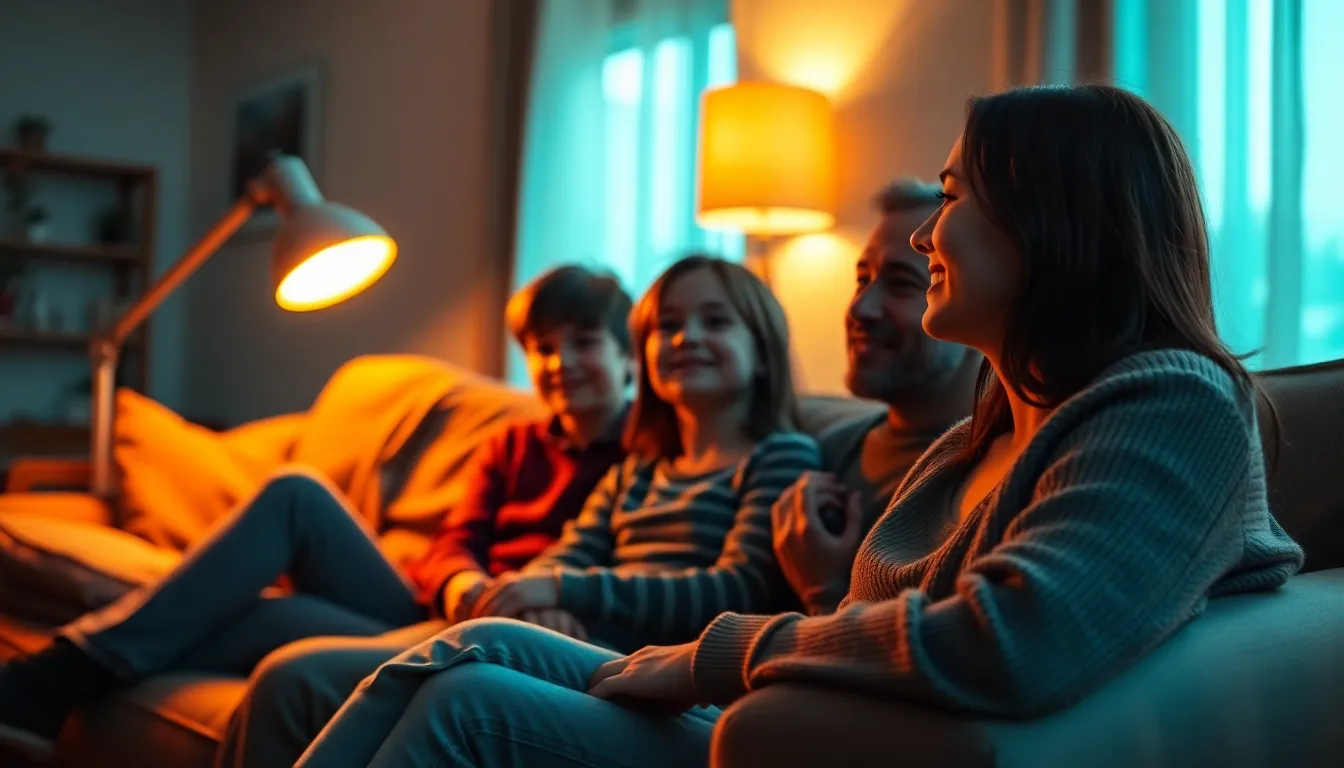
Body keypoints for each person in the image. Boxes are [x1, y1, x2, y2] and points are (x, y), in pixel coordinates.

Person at [292, 84, 1306, 768]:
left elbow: (1014, 637)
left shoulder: (1172, 402)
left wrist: (717, 653)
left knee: (463, 703)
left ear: (1054, 223)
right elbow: (862, 614)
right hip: (789, 704)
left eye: (950, 199)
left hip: (797, 720)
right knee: (456, 649)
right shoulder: (980, 434)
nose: (924, 230)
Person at [0, 264, 636, 764]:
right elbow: (451, 545)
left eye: (583, 344)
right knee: (296, 493)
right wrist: (465, 583)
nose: (561, 364)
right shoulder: (514, 442)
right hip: (441, 604)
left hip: (499, 636)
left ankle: (53, 681)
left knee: (261, 617)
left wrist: (537, 598)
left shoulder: (645, 454)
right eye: (544, 350)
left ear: (627, 358)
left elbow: (628, 570)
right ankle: (61, 674)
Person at [217, 253, 819, 767]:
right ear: (647, 353)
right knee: (292, 672)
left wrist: (564, 590)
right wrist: (541, 592)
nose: (686, 338)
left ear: (762, 351)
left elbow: (732, 587)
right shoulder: (640, 468)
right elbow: (569, 552)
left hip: (661, 668)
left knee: (478, 641)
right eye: (668, 326)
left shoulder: (779, 456)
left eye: (715, 322)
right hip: (582, 642)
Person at [772, 179, 979, 617]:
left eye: (902, 283)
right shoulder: (825, 450)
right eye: (861, 279)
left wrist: (823, 591)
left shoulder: (985, 471)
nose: (860, 308)